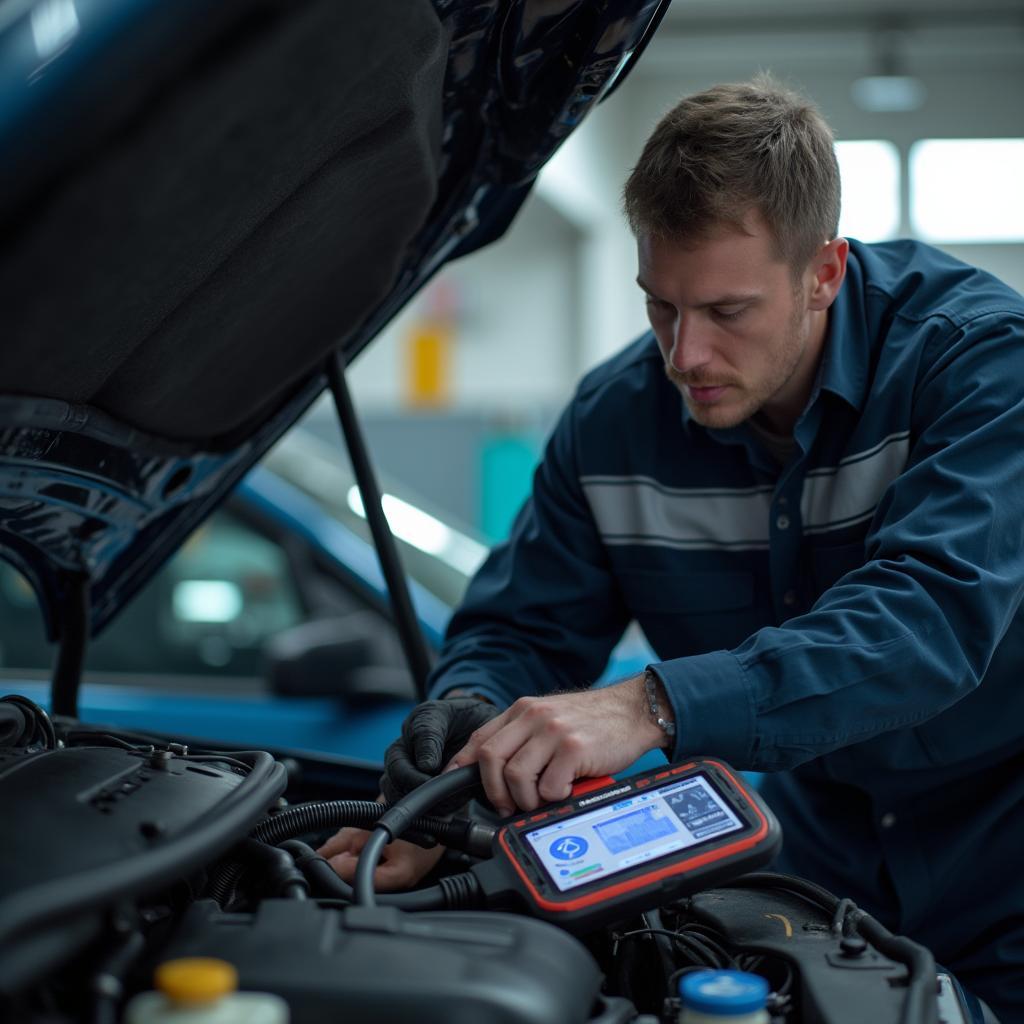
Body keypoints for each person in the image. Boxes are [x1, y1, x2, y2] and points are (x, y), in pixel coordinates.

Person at [320, 73, 1024, 1019]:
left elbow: (926, 620)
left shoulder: (981, 366)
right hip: (815, 876)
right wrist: (467, 736)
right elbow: (525, 626)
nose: (683, 355)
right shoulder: (615, 422)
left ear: (825, 273)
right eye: (660, 305)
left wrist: (653, 705)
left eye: (727, 312)